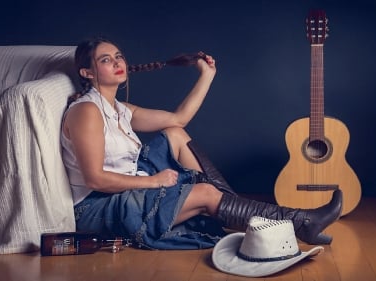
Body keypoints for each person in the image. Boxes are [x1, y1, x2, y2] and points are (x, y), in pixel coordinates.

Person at [60, 36, 342, 250]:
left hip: (128, 179)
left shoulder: (120, 108)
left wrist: (207, 75)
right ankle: (300, 222)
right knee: (206, 193)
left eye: (118, 56)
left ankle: (238, 211)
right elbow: (95, 179)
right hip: (98, 208)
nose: (118, 62)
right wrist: (154, 181)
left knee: (174, 134)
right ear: (87, 72)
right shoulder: (87, 111)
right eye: (106, 60)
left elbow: (178, 119)